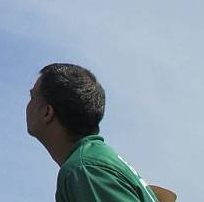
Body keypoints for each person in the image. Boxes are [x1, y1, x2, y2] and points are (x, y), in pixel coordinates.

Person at [26, 63, 160, 202]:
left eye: (32, 97)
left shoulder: (84, 169)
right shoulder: (94, 161)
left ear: (47, 112)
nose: (27, 105)